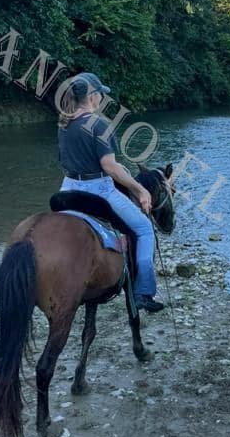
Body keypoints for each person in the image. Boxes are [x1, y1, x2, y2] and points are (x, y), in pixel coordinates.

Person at [57, 72, 165, 312]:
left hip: (67, 188)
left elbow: (67, 161)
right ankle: (143, 293)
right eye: (100, 94)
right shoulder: (99, 124)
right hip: (98, 190)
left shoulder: (64, 124)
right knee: (144, 229)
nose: (101, 98)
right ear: (92, 97)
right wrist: (140, 189)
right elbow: (109, 167)